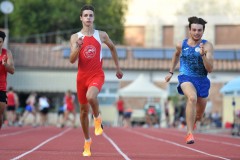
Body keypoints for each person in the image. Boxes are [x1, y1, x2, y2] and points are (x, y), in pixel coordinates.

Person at [69, 5, 123, 156]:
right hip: (81, 77)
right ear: (81, 18)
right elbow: (72, 60)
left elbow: (113, 48)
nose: (88, 18)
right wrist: (78, 47)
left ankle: (97, 118)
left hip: (96, 74)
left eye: (90, 15)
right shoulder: (75, 37)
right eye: (85, 15)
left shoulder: (102, 35)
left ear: (93, 18)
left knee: (91, 97)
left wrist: (118, 68)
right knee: (83, 112)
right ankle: (87, 141)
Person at [165, 16, 214, 144]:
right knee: (192, 98)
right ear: (189, 30)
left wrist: (203, 55)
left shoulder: (207, 45)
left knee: (199, 115)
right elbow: (176, 54)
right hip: (185, 77)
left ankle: (194, 123)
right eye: (194, 30)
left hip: (202, 80)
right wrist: (171, 71)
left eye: (199, 30)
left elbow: (210, 69)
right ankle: (189, 133)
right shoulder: (181, 44)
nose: (196, 33)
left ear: (203, 31)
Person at [0, 31, 15, 130]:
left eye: (0, 41)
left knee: (0, 114)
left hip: (1, 87)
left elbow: (12, 71)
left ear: (3, 42)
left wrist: (5, 65)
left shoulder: (7, 53)